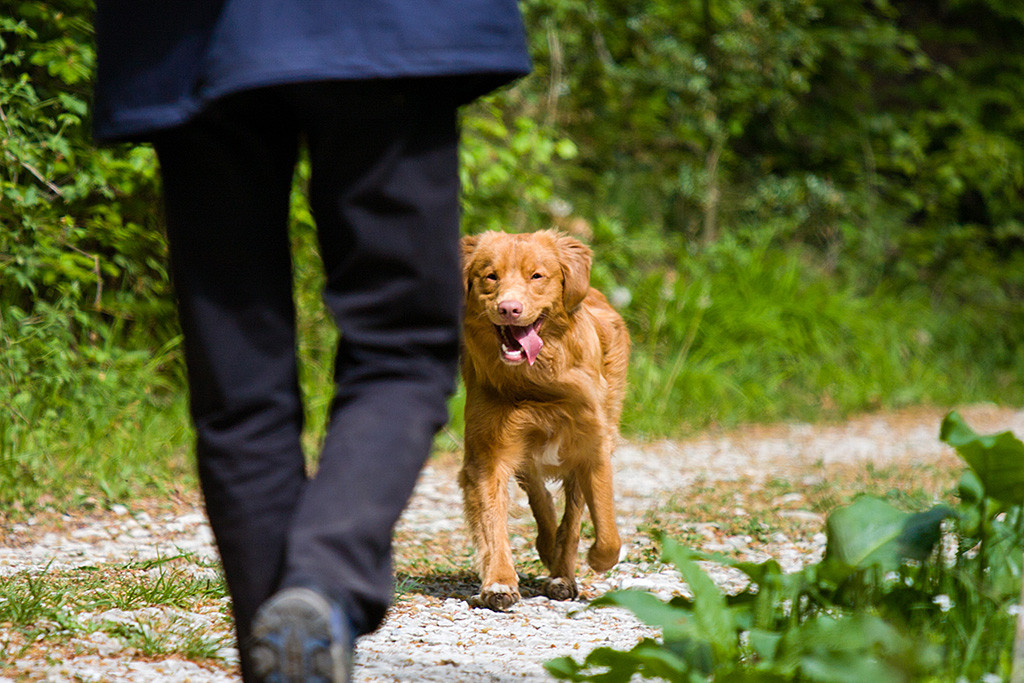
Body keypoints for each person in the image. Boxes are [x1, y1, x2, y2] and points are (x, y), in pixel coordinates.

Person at [92, 3, 530, 681]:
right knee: (402, 343)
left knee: (239, 379)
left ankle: (287, 651)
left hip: (190, 38)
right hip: (388, 28)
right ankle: (326, 579)